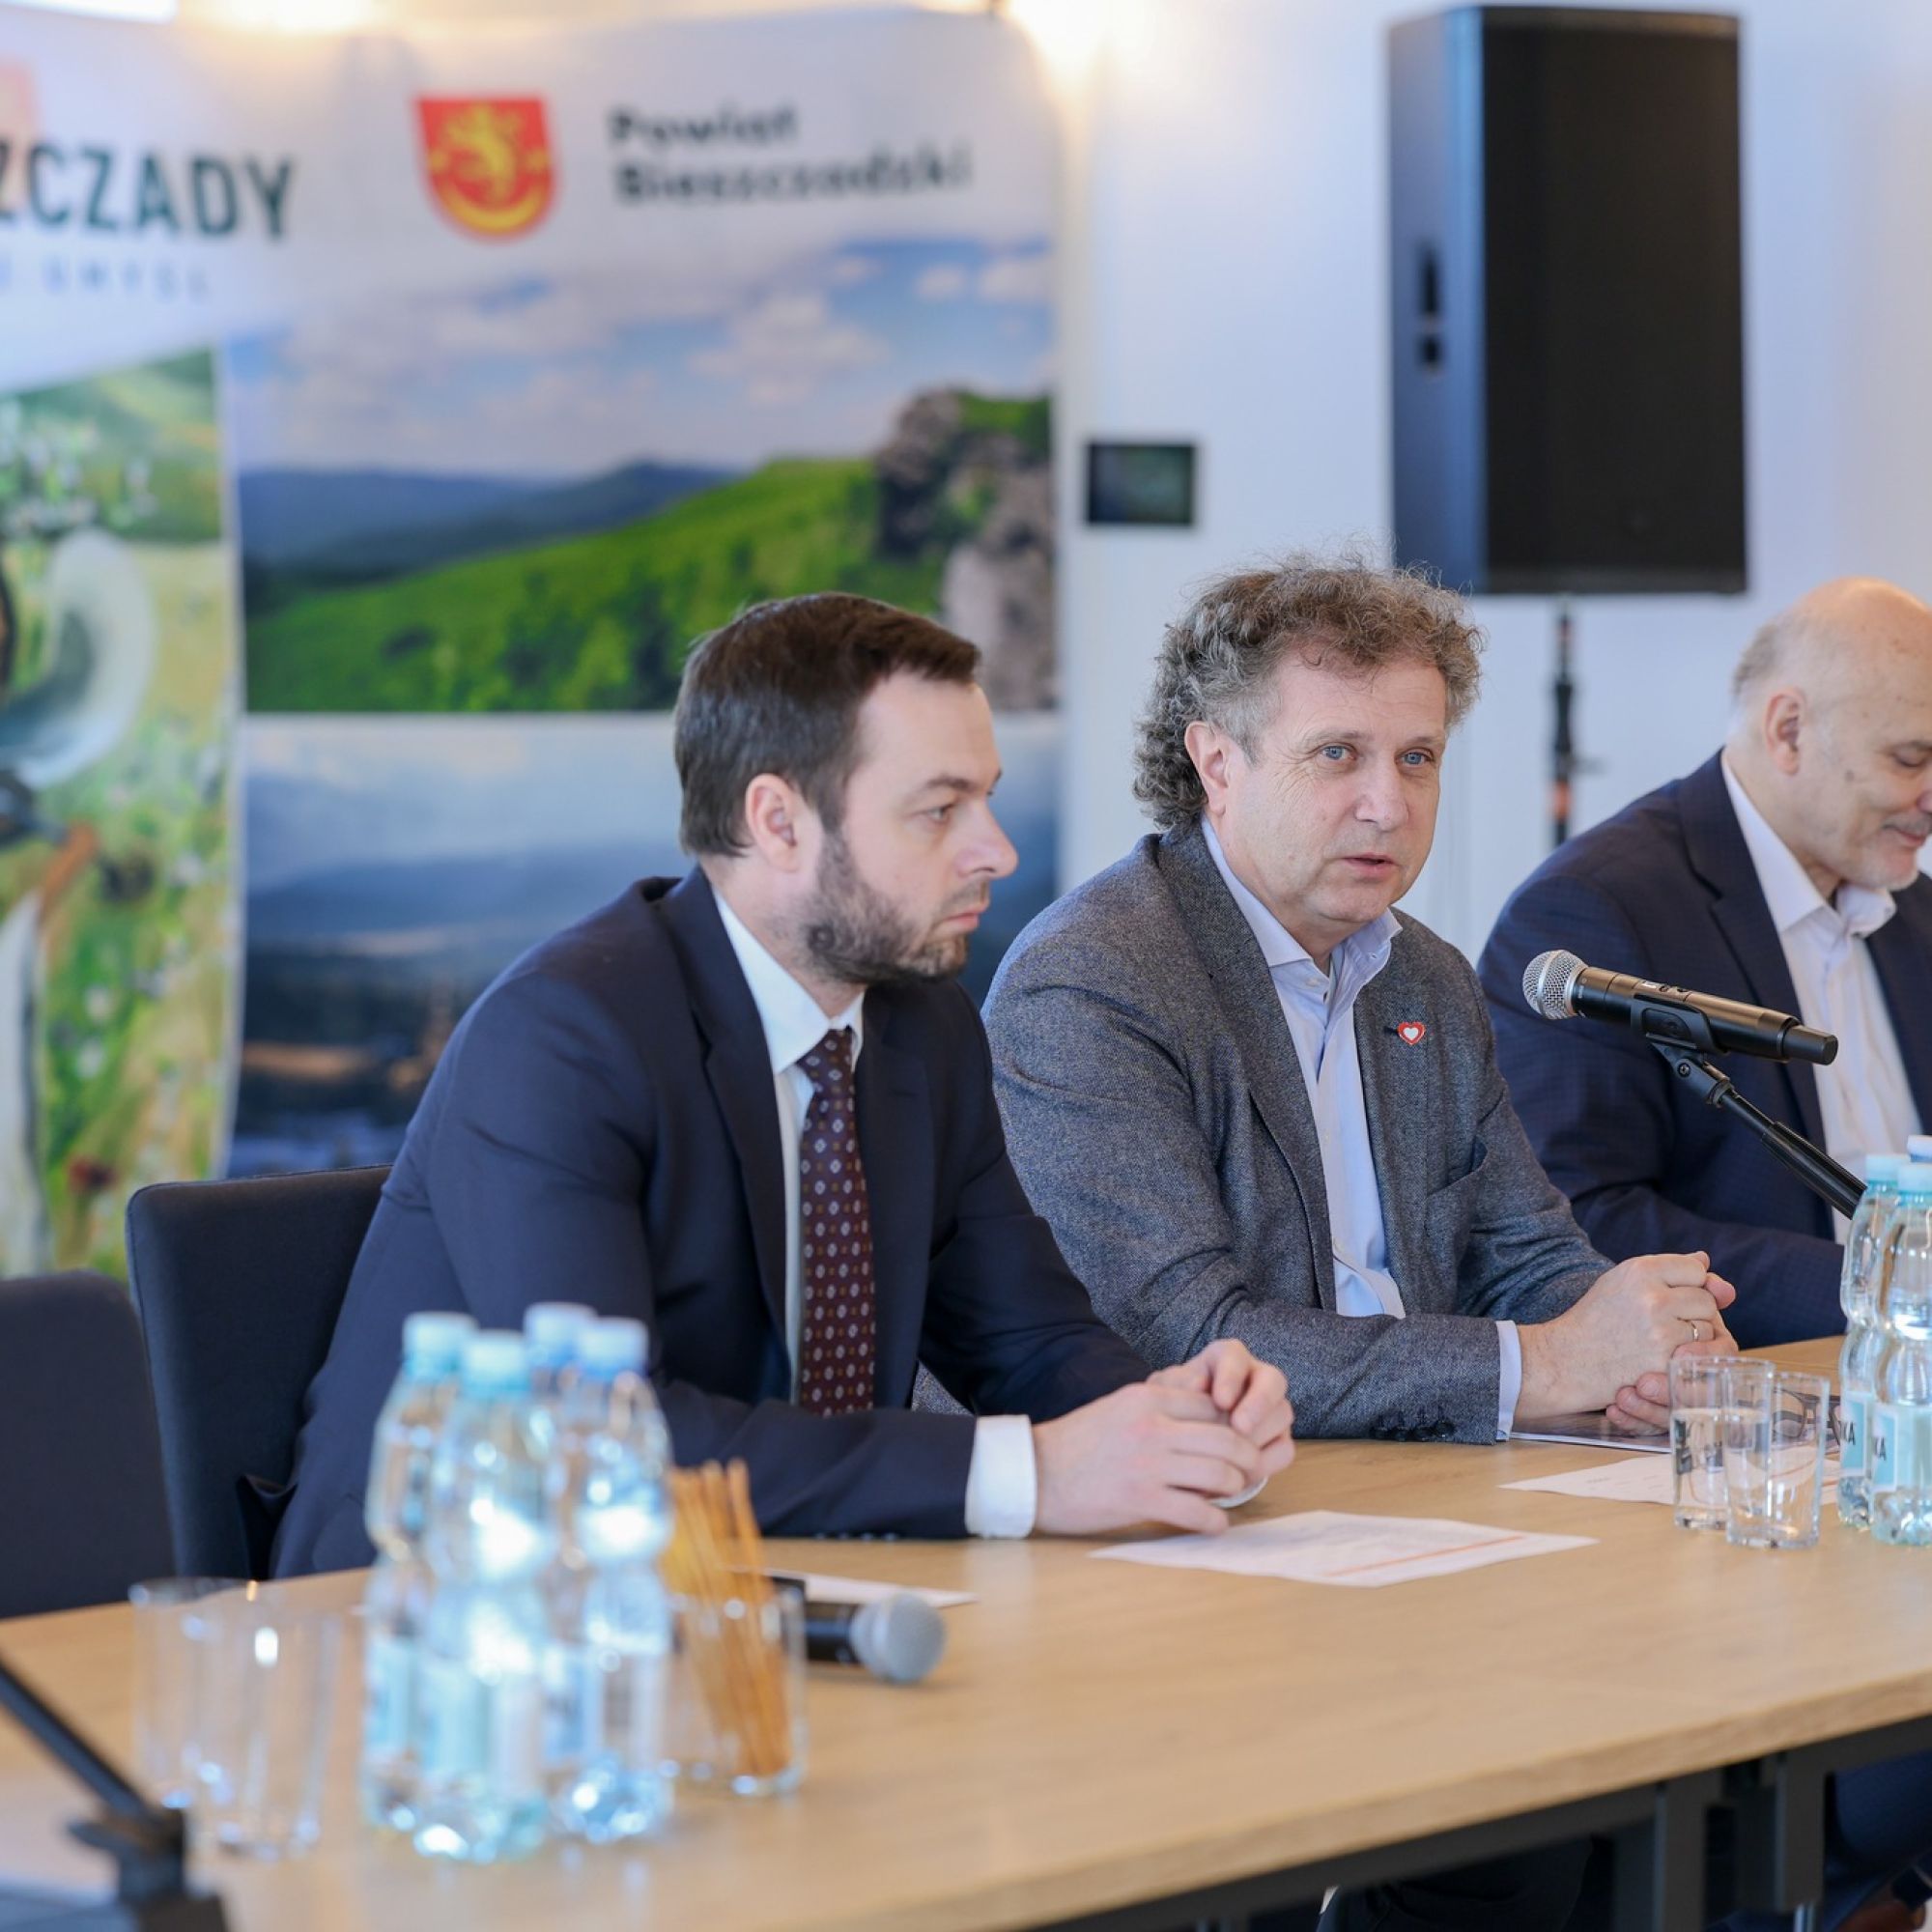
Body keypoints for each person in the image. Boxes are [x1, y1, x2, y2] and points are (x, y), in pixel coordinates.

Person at [271, 594, 1292, 1579]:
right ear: (778, 821)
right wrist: (1031, 1474)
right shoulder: (562, 1037)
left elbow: (1023, 1338)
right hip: (445, 1608)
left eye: (985, 798)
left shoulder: (923, 1025)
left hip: (785, 1583)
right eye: (939, 810)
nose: (996, 850)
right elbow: (606, 1438)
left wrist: (1168, 1420)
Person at [983, 552, 1735, 1449]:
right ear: (1217, 763)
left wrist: (1646, 1347)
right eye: (1337, 754)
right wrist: (1543, 1366)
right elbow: (1177, 1339)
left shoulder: (1428, 976)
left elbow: (1522, 1256)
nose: (1388, 805)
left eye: (1417, 758)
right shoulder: (1092, 980)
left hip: (1408, 1476)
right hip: (1189, 1495)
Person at [1480, 578, 1932, 1348]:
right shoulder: (1594, 909)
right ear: (1789, 731)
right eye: (1910, 759)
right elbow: (1573, 1223)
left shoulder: (1914, 911)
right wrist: (1883, 1287)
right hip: (1744, 1383)